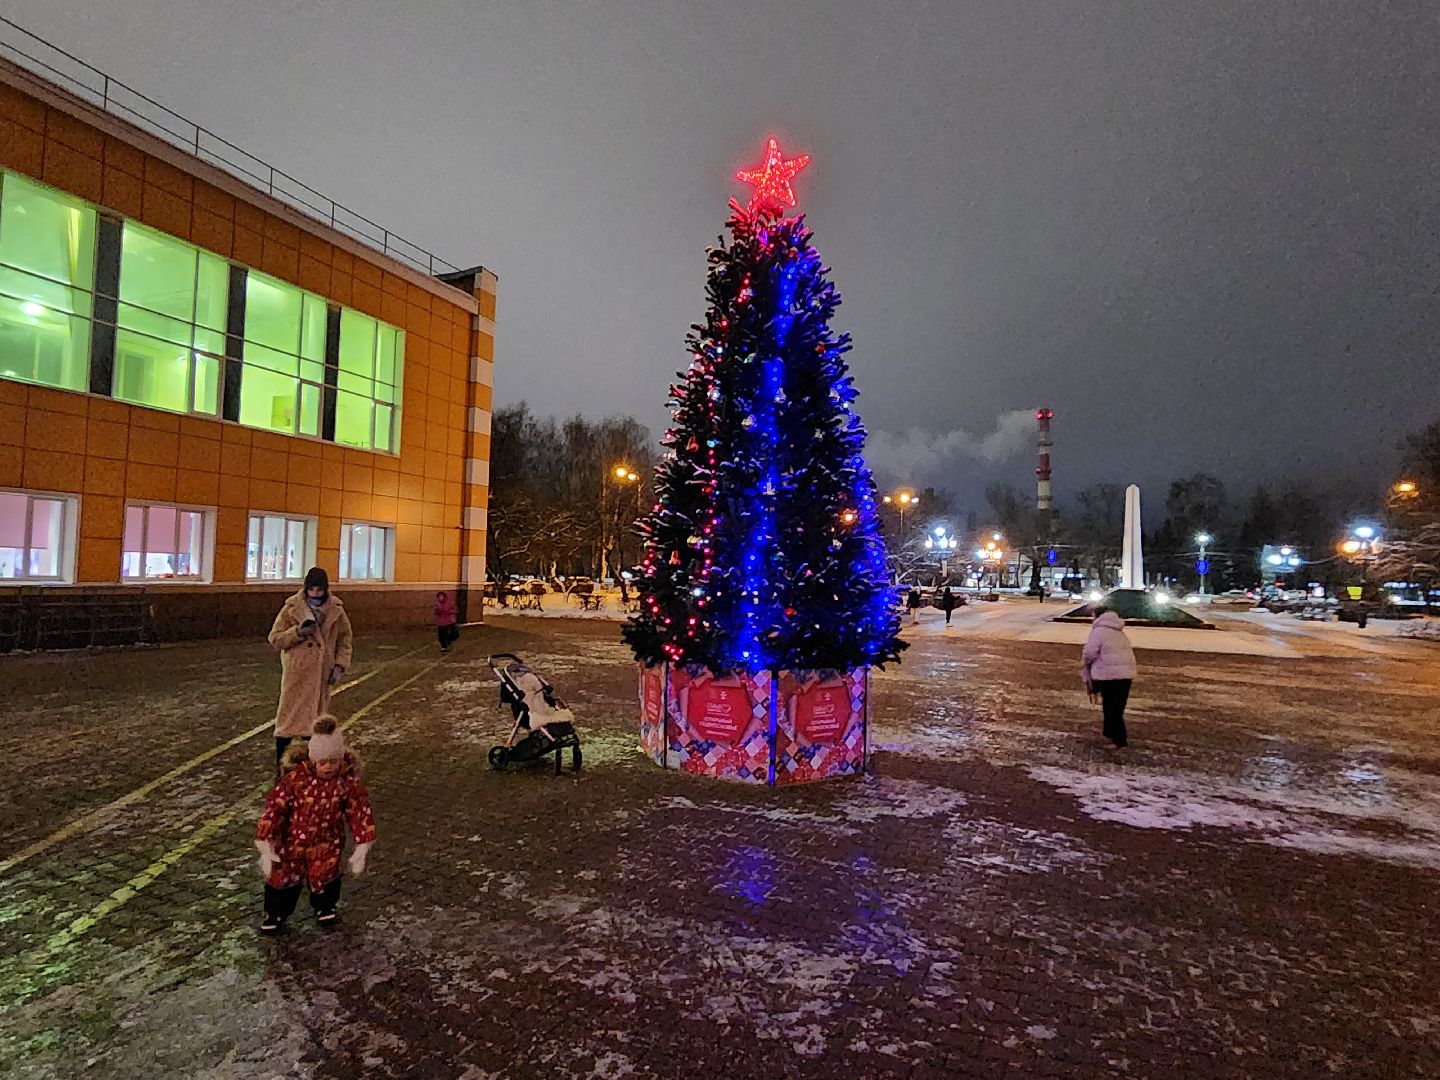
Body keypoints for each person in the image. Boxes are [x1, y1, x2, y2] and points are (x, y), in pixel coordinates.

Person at [254, 716, 375, 934]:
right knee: (283, 876)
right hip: (293, 841)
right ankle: (275, 912)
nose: (328, 767)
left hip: (327, 840)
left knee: (326, 874)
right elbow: (276, 807)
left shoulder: (347, 783)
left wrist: (362, 844)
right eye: (323, 762)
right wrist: (266, 838)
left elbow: (359, 811)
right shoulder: (296, 780)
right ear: (313, 760)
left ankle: (324, 906)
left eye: (334, 761)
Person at [268, 567, 353, 771]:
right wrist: (298, 632)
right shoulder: (291, 608)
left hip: (321, 677)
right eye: (311, 589)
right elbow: (275, 638)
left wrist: (339, 666)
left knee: (314, 729)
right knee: (287, 726)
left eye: (319, 590)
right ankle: (282, 772)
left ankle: (312, 771)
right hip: (297, 675)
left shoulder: (336, 610)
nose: (315, 594)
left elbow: (345, 640)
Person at [1081, 605, 1138, 752]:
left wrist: (1088, 667)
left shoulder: (1099, 631)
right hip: (1126, 675)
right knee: (1118, 707)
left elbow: (1090, 653)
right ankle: (1111, 734)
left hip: (1108, 675)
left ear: (1097, 615)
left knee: (1111, 708)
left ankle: (1119, 740)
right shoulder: (1119, 631)